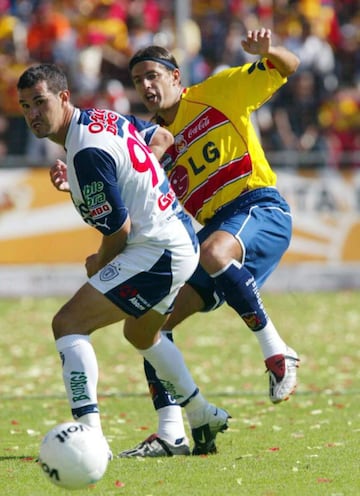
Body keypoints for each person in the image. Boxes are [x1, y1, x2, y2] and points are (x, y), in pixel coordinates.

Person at [49, 28, 301, 459]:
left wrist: (269, 50)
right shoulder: (145, 136)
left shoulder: (218, 91)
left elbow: (288, 67)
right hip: (210, 233)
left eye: (153, 76)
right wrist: (72, 181)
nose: (146, 86)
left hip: (259, 207)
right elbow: (122, 193)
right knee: (149, 325)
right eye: (138, 81)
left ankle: (278, 352)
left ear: (176, 77)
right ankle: (174, 431)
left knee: (215, 252)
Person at [17, 63, 230, 457]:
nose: (32, 113)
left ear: (63, 98)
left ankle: (90, 439)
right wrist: (103, 181)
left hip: (157, 250)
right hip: (178, 238)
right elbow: (160, 137)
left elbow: (120, 231)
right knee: (141, 335)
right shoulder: (101, 118)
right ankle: (202, 413)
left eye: (40, 102)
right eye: (25, 105)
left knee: (68, 324)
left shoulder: (85, 154)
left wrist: (99, 264)